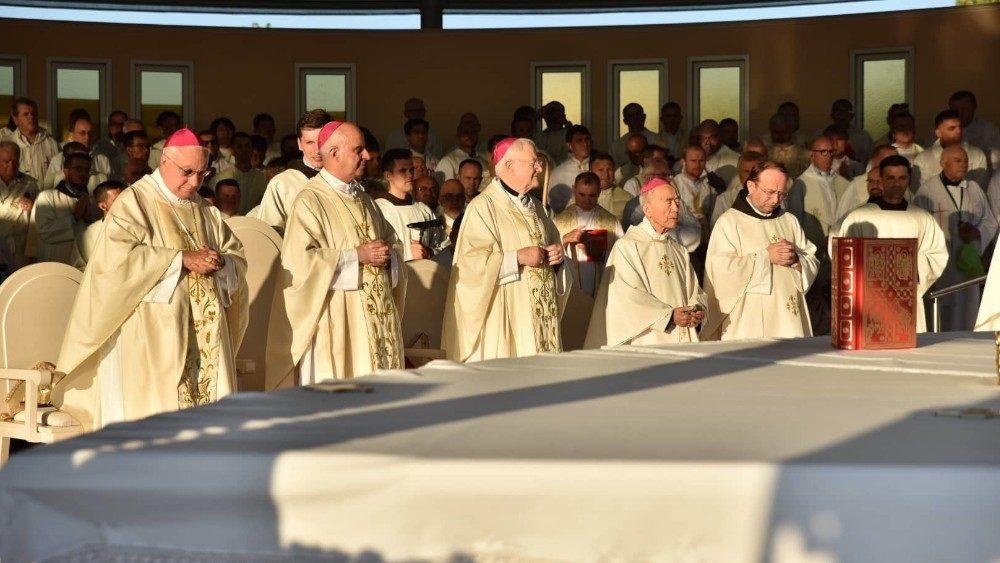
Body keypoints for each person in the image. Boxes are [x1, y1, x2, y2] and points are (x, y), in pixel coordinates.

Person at [53, 128, 248, 432]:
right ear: (164, 162)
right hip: (151, 335)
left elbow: (237, 255)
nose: (195, 182)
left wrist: (222, 262)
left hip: (207, 336)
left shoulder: (205, 210)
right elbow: (115, 263)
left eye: (202, 173)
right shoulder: (135, 202)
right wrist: (180, 259)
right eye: (187, 172)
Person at [265, 121, 405, 388]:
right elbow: (300, 264)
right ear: (335, 153)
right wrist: (356, 256)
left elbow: (393, 242)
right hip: (337, 323)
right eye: (359, 150)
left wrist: (390, 256)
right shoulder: (310, 200)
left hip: (376, 322)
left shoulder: (364, 199)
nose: (367, 156)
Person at [442, 137, 569, 362]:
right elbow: (469, 266)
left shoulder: (537, 207)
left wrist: (557, 259)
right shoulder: (483, 207)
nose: (539, 168)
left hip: (541, 318)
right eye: (534, 162)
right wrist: (517, 257)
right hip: (506, 315)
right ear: (510, 166)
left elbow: (553, 248)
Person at [702, 160, 819, 340]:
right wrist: (765, 257)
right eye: (770, 192)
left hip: (788, 316)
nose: (776, 200)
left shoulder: (789, 220)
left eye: (781, 193)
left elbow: (810, 257)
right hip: (748, 319)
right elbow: (720, 272)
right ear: (751, 186)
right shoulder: (729, 222)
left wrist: (796, 260)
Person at [585, 177, 706, 348]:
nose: (676, 208)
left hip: (682, 337)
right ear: (647, 209)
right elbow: (626, 297)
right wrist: (669, 316)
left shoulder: (678, 249)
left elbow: (695, 291)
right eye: (669, 201)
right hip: (645, 340)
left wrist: (697, 310)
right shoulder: (627, 247)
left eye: (677, 202)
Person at [836, 155, 947, 333]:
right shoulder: (859, 217)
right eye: (891, 178)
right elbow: (845, 259)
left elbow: (936, 254)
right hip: (870, 298)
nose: (897, 183)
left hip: (908, 297)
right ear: (881, 180)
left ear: (909, 180)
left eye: (902, 178)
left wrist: (911, 270)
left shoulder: (922, 218)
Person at [913, 144, 998, 331]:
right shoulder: (926, 191)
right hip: (941, 264)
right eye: (958, 161)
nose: (964, 165)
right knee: (941, 315)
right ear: (943, 163)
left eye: (966, 161)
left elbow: (990, 221)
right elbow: (918, 227)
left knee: (968, 312)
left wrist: (977, 233)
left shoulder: (974, 188)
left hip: (968, 262)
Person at [255, 109, 331, 234]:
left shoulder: (346, 179)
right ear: (299, 144)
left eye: (322, 142)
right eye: (309, 142)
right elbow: (269, 233)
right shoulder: (282, 183)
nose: (317, 150)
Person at [553, 171, 624, 296]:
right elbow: (550, 253)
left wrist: (600, 252)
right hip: (569, 284)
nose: (586, 200)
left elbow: (622, 256)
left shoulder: (612, 223)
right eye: (582, 194)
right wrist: (564, 240)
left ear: (599, 192)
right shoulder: (559, 221)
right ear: (574, 190)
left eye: (592, 195)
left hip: (601, 284)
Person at [373, 148, 447, 261]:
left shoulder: (423, 209)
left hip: (425, 270)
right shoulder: (378, 209)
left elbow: (443, 244)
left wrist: (429, 252)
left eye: (411, 169)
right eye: (403, 171)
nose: (410, 175)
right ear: (388, 175)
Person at [33, 150, 100, 264]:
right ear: (66, 171)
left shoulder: (93, 201)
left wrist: (89, 221)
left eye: (87, 170)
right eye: (78, 169)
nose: (84, 174)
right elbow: (45, 232)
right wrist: (74, 217)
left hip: (84, 266)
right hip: (56, 266)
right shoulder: (47, 197)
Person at [913, 109, 990, 189]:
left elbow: (980, 190)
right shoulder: (923, 159)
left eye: (960, 126)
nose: (958, 131)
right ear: (938, 133)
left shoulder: (977, 155)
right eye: (952, 128)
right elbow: (918, 192)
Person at [41, 114, 113, 191]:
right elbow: (48, 188)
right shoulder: (58, 160)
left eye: (90, 133)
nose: (87, 137)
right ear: (72, 135)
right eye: (82, 133)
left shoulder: (102, 160)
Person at [69, 179, 125, 270]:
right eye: (117, 200)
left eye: (125, 199)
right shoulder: (88, 236)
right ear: (103, 206)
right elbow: (79, 268)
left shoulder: (137, 226)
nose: (124, 203)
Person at [0, 140, 37, 271]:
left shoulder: (30, 184)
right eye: (6, 161)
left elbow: (41, 217)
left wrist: (33, 207)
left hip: (21, 251)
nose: (11, 166)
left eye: (15, 161)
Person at [211, 132, 266, 215]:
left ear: (252, 149)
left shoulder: (263, 179)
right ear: (232, 151)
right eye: (239, 146)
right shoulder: (219, 179)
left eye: (247, 146)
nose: (244, 150)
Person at [8, 97, 59, 186]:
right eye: (26, 114)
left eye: (34, 114)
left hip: (44, 194)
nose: (31, 117)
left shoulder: (51, 143)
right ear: (15, 119)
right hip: (16, 194)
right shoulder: (7, 144)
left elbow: (59, 175)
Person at [710, 149, 766, 229]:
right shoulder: (724, 200)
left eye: (755, 171)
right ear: (739, 173)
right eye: (746, 172)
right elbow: (716, 230)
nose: (750, 176)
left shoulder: (774, 198)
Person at [548, 125, 593, 213]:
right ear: (570, 145)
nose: (585, 144)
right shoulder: (559, 172)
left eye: (587, 139)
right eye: (579, 140)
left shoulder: (599, 168)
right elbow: (554, 204)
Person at [435, 119, 489, 184]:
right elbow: (446, 188)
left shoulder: (483, 160)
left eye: (473, 132)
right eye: (466, 132)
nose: (470, 136)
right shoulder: (448, 161)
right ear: (458, 135)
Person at [610, 103, 658, 168]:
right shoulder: (616, 146)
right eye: (630, 115)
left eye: (637, 114)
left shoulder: (656, 140)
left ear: (644, 117)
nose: (635, 118)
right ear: (625, 121)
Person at [590, 152, 632, 220]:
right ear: (590, 172)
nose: (606, 174)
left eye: (609, 170)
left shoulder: (627, 198)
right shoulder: (581, 197)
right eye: (601, 170)